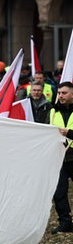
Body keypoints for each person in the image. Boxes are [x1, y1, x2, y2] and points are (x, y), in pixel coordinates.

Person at [50, 81, 73, 234]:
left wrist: (69, 133)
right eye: (59, 93)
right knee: (59, 192)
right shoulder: (53, 111)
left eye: (64, 93)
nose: (60, 96)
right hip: (59, 156)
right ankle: (65, 222)